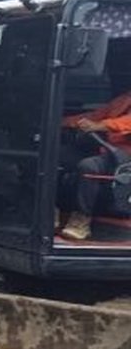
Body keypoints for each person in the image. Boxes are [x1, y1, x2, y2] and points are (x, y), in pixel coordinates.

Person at [59, 91, 131, 240]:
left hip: (126, 156)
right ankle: (54, 209)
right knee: (58, 155)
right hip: (111, 152)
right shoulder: (124, 99)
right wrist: (61, 121)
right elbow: (96, 115)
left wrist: (100, 125)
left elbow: (125, 122)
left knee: (89, 166)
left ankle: (82, 220)